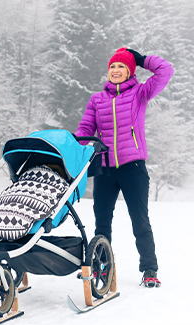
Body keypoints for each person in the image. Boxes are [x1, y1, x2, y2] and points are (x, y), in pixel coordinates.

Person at [75, 48, 173, 288]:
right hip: (106, 169)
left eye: (121, 67)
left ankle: (149, 269)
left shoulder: (140, 93)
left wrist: (141, 60)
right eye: (112, 67)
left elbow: (165, 70)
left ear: (129, 71)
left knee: (140, 220)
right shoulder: (97, 99)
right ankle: (101, 267)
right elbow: (85, 130)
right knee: (102, 222)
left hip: (133, 168)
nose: (116, 71)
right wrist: (75, 147)